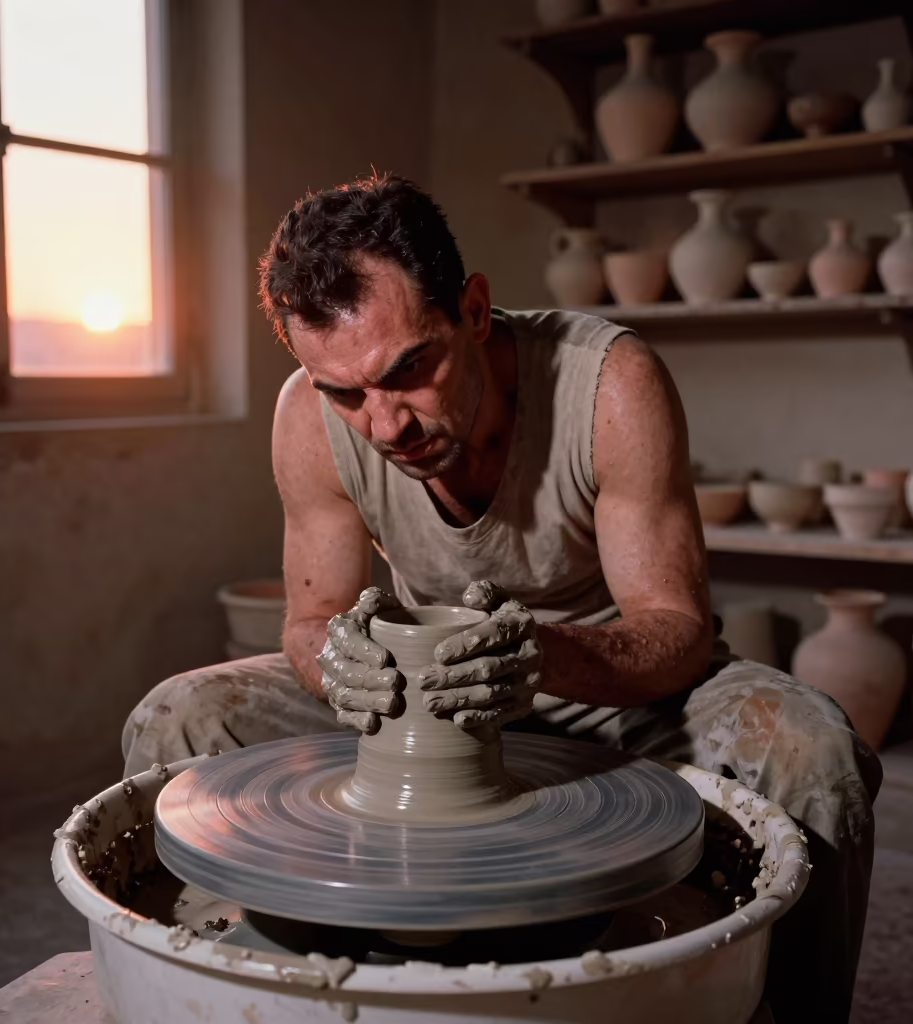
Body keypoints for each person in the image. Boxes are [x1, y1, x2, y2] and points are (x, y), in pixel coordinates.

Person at [122, 174, 879, 1021]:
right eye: (345, 391)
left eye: (409, 370)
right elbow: (309, 621)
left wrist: (542, 656)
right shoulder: (309, 415)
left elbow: (677, 634)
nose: (383, 426)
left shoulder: (610, 384)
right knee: (176, 718)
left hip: (611, 688)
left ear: (473, 311)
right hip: (420, 697)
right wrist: (341, 667)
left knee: (817, 753)